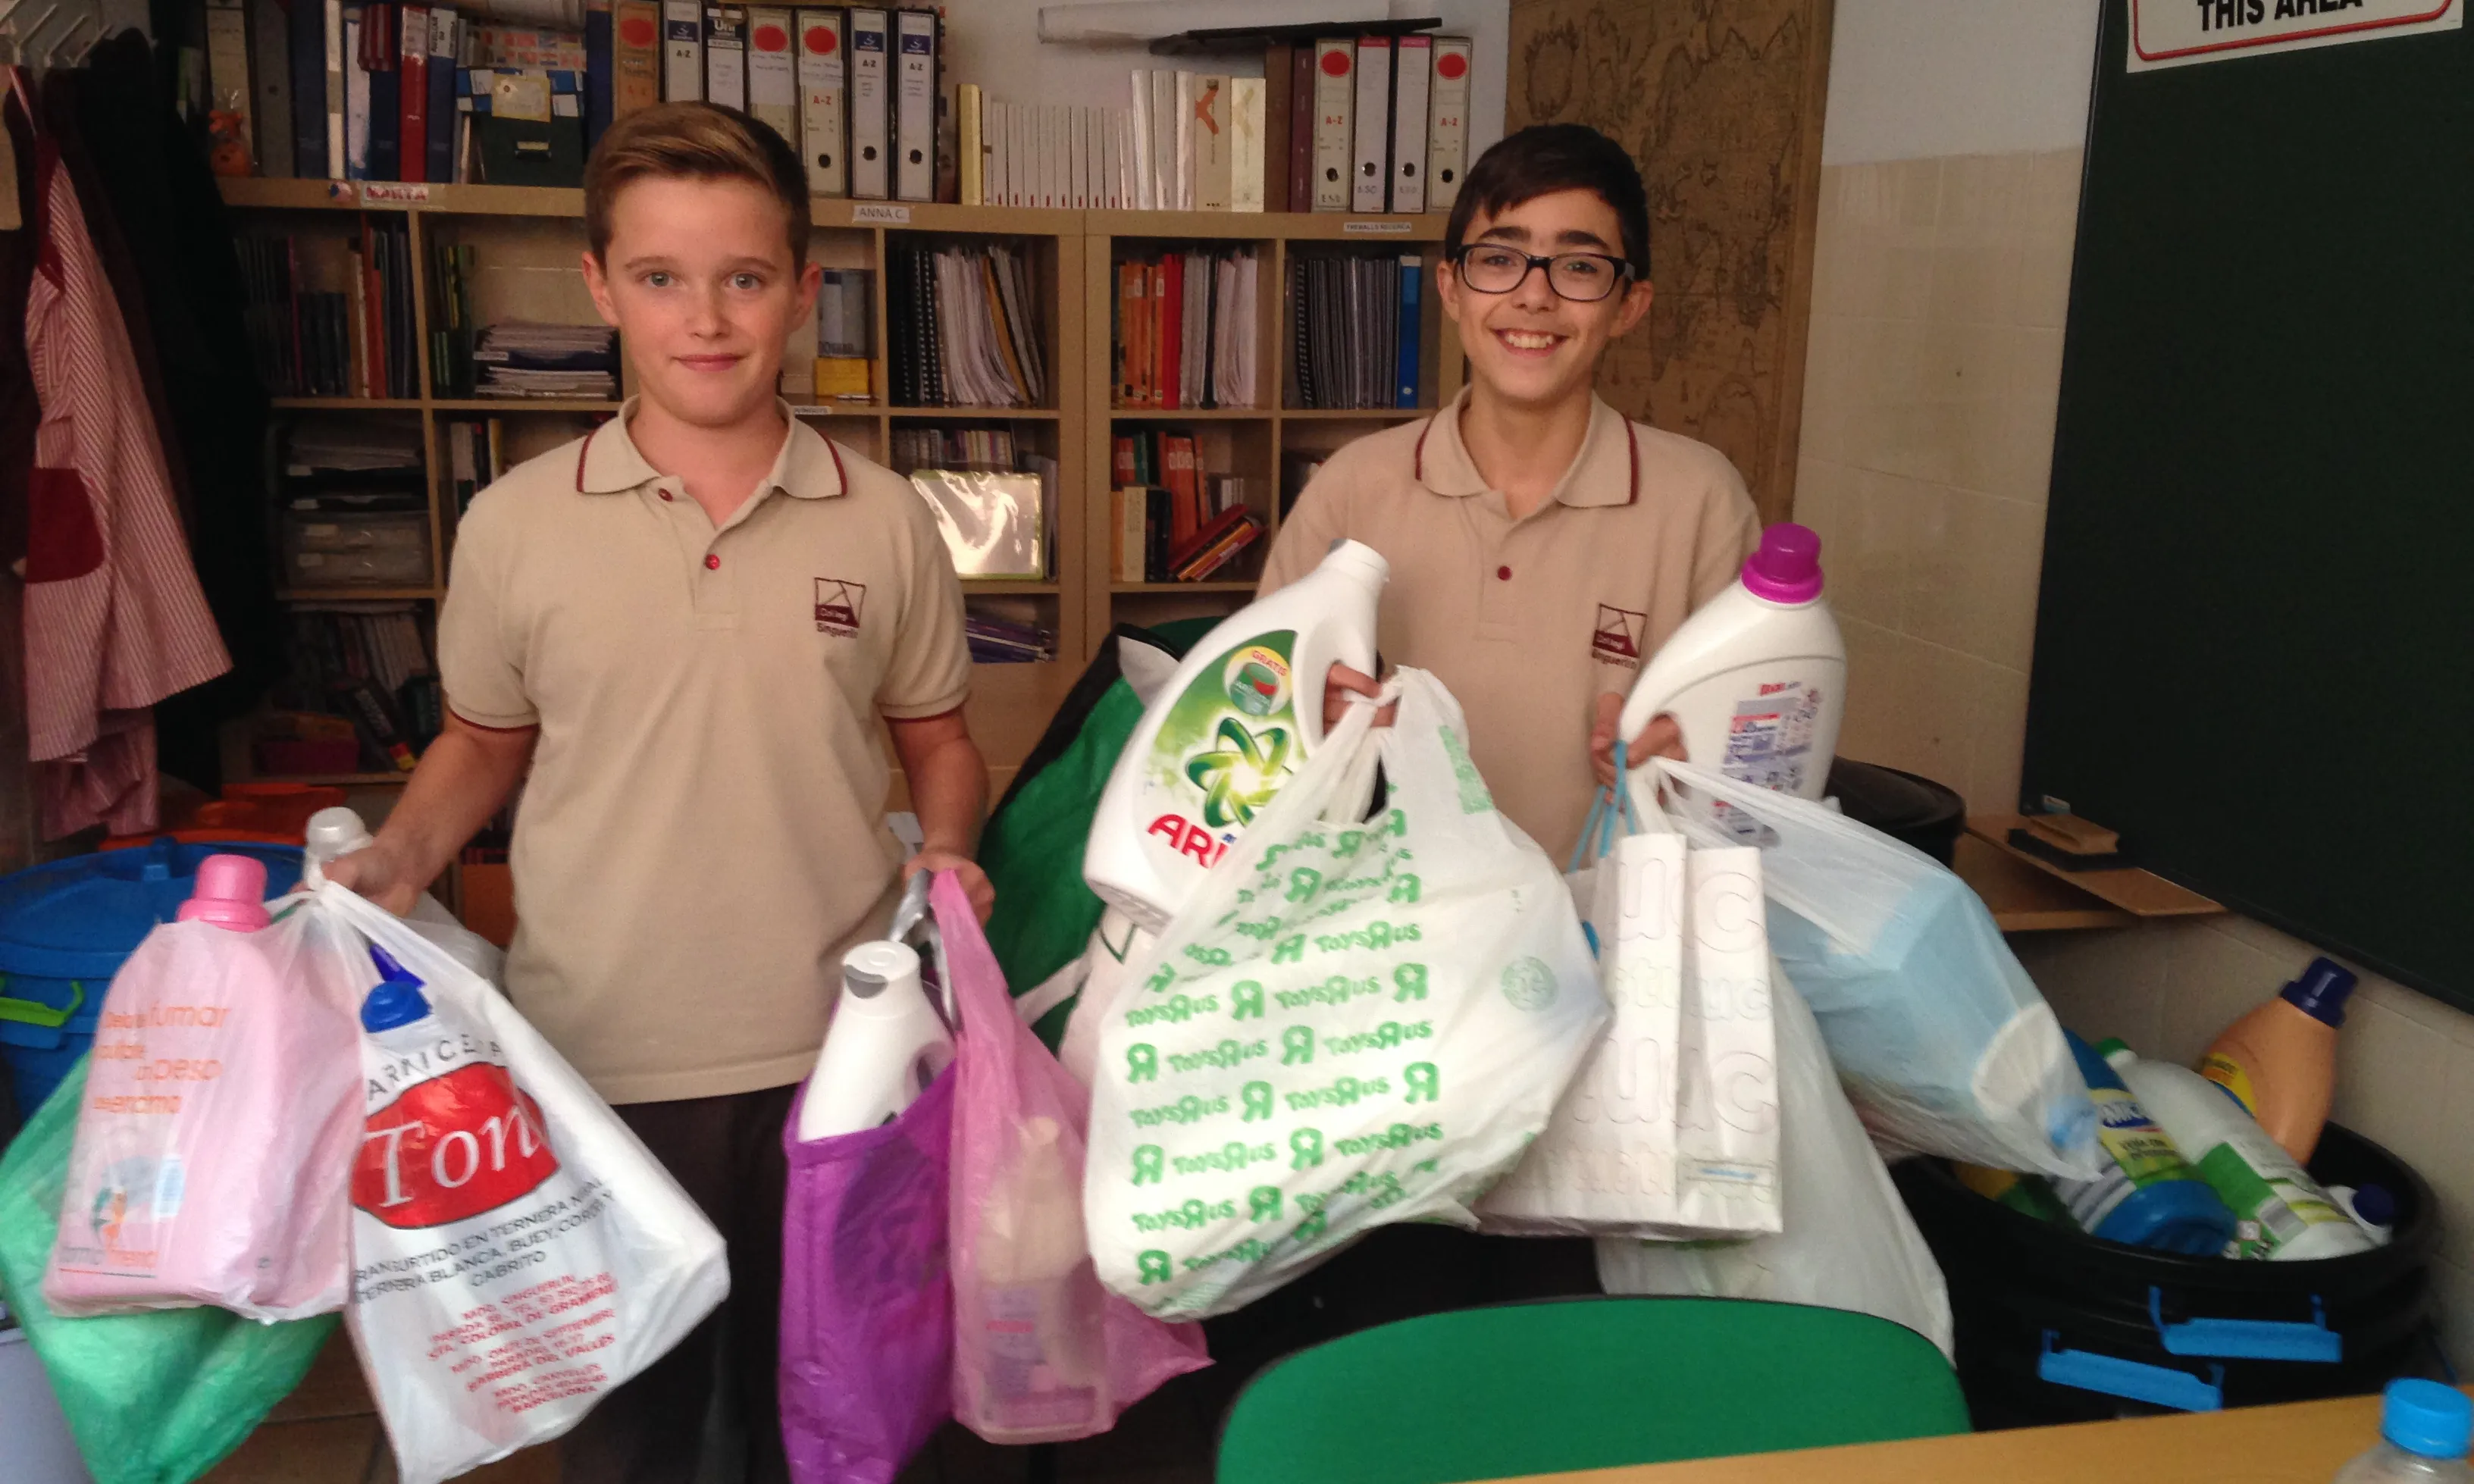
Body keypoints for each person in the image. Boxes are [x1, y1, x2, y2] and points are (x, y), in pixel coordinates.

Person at [325, 102, 991, 1483]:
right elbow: (480, 742)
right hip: (597, 1058)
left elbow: (936, 736)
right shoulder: (516, 521)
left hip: (840, 1057)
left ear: (804, 290)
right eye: (661, 277)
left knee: (831, 1410)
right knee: (630, 1428)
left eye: (745, 277)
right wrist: (401, 855)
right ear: (598, 284)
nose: (706, 317)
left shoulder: (882, 518)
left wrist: (947, 845)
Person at [1261, 122, 1763, 865]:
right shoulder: (1353, 489)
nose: (1534, 296)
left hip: (1611, 943)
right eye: (1499, 259)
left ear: (1629, 304)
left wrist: (1695, 759)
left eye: (1580, 267)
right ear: (1450, 287)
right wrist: (1309, 722)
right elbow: (1249, 723)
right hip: (1379, 947)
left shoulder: (1700, 501)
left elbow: (1759, 772)